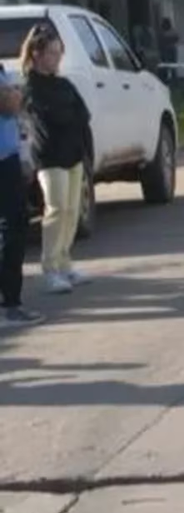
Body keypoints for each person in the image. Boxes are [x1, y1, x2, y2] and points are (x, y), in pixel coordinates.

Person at [21, 23, 92, 295]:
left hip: (74, 155)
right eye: (52, 52)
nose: (57, 57)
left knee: (72, 209)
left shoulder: (64, 84)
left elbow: (82, 114)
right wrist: (67, 119)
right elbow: (47, 119)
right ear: (37, 54)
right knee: (56, 208)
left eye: (59, 52)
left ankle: (65, 262)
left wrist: (84, 150)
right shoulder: (31, 86)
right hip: (50, 157)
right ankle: (50, 267)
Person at [1, 62, 43, 326]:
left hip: (9, 156)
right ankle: (10, 306)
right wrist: (14, 94)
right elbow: (9, 104)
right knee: (12, 228)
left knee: (13, 227)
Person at [158, 17, 180, 82]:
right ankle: (170, 79)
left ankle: (173, 79)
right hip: (169, 49)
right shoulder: (170, 31)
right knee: (169, 66)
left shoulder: (165, 32)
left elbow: (176, 38)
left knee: (170, 66)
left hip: (169, 50)